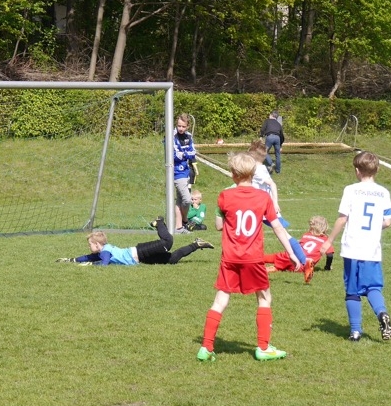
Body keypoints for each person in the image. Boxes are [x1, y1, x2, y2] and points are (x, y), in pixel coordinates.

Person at [196, 152, 301, 362]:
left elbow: (219, 226)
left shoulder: (224, 196)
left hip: (230, 258)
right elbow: (277, 227)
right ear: (253, 173)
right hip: (253, 258)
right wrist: (291, 253)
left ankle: (206, 347)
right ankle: (263, 347)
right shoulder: (263, 197)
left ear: (233, 174)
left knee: (220, 300)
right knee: (264, 298)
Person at [320, 151, 391, 342]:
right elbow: (387, 221)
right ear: (377, 170)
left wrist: (328, 241)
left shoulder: (351, 190)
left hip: (352, 247)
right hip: (372, 249)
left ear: (357, 171)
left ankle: (355, 331)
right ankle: (382, 313)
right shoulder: (383, 192)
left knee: (352, 290)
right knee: (373, 287)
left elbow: (342, 218)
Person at [248, 139, 308, 268]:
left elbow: (272, 184)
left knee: (283, 233)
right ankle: (251, 260)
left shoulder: (258, 170)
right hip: (259, 206)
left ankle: (305, 261)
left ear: (252, 157)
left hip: (265, 207)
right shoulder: (259, 168)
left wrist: (275, 203)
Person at [56, 217, 214, 266]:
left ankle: (159, 222)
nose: (89, 247)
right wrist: (72, 260)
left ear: (97, 244)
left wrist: (91, 265)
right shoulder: (102, 251)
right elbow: (88, 257)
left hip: (140, 251)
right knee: (172, 259)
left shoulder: (105, 251)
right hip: (143, 259)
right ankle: (196, 244)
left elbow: (103, 263)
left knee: (168, 241)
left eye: (90, 244)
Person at [265, 215, 335, 283]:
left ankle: (263, 263)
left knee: (275, 257)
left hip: (291, 258)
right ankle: (272, 268)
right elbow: (330, 255)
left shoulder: (306, 235)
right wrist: (327, 267)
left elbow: (297, 247)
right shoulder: (326, 241)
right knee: (285, 267)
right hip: (300, 267)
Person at [170, 113, 198, 234]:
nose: (180, 128)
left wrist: (184, 153)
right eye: (179, 126)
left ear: (187, 126)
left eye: (183, 126)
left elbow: (193, 152)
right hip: (176, 172)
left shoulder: (189, 136)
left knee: (180, 200)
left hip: (186, 171)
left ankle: (178, 227)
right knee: (187, 199)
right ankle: (185, 220)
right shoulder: (172, 136)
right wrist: (185, 153)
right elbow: (174, 155)